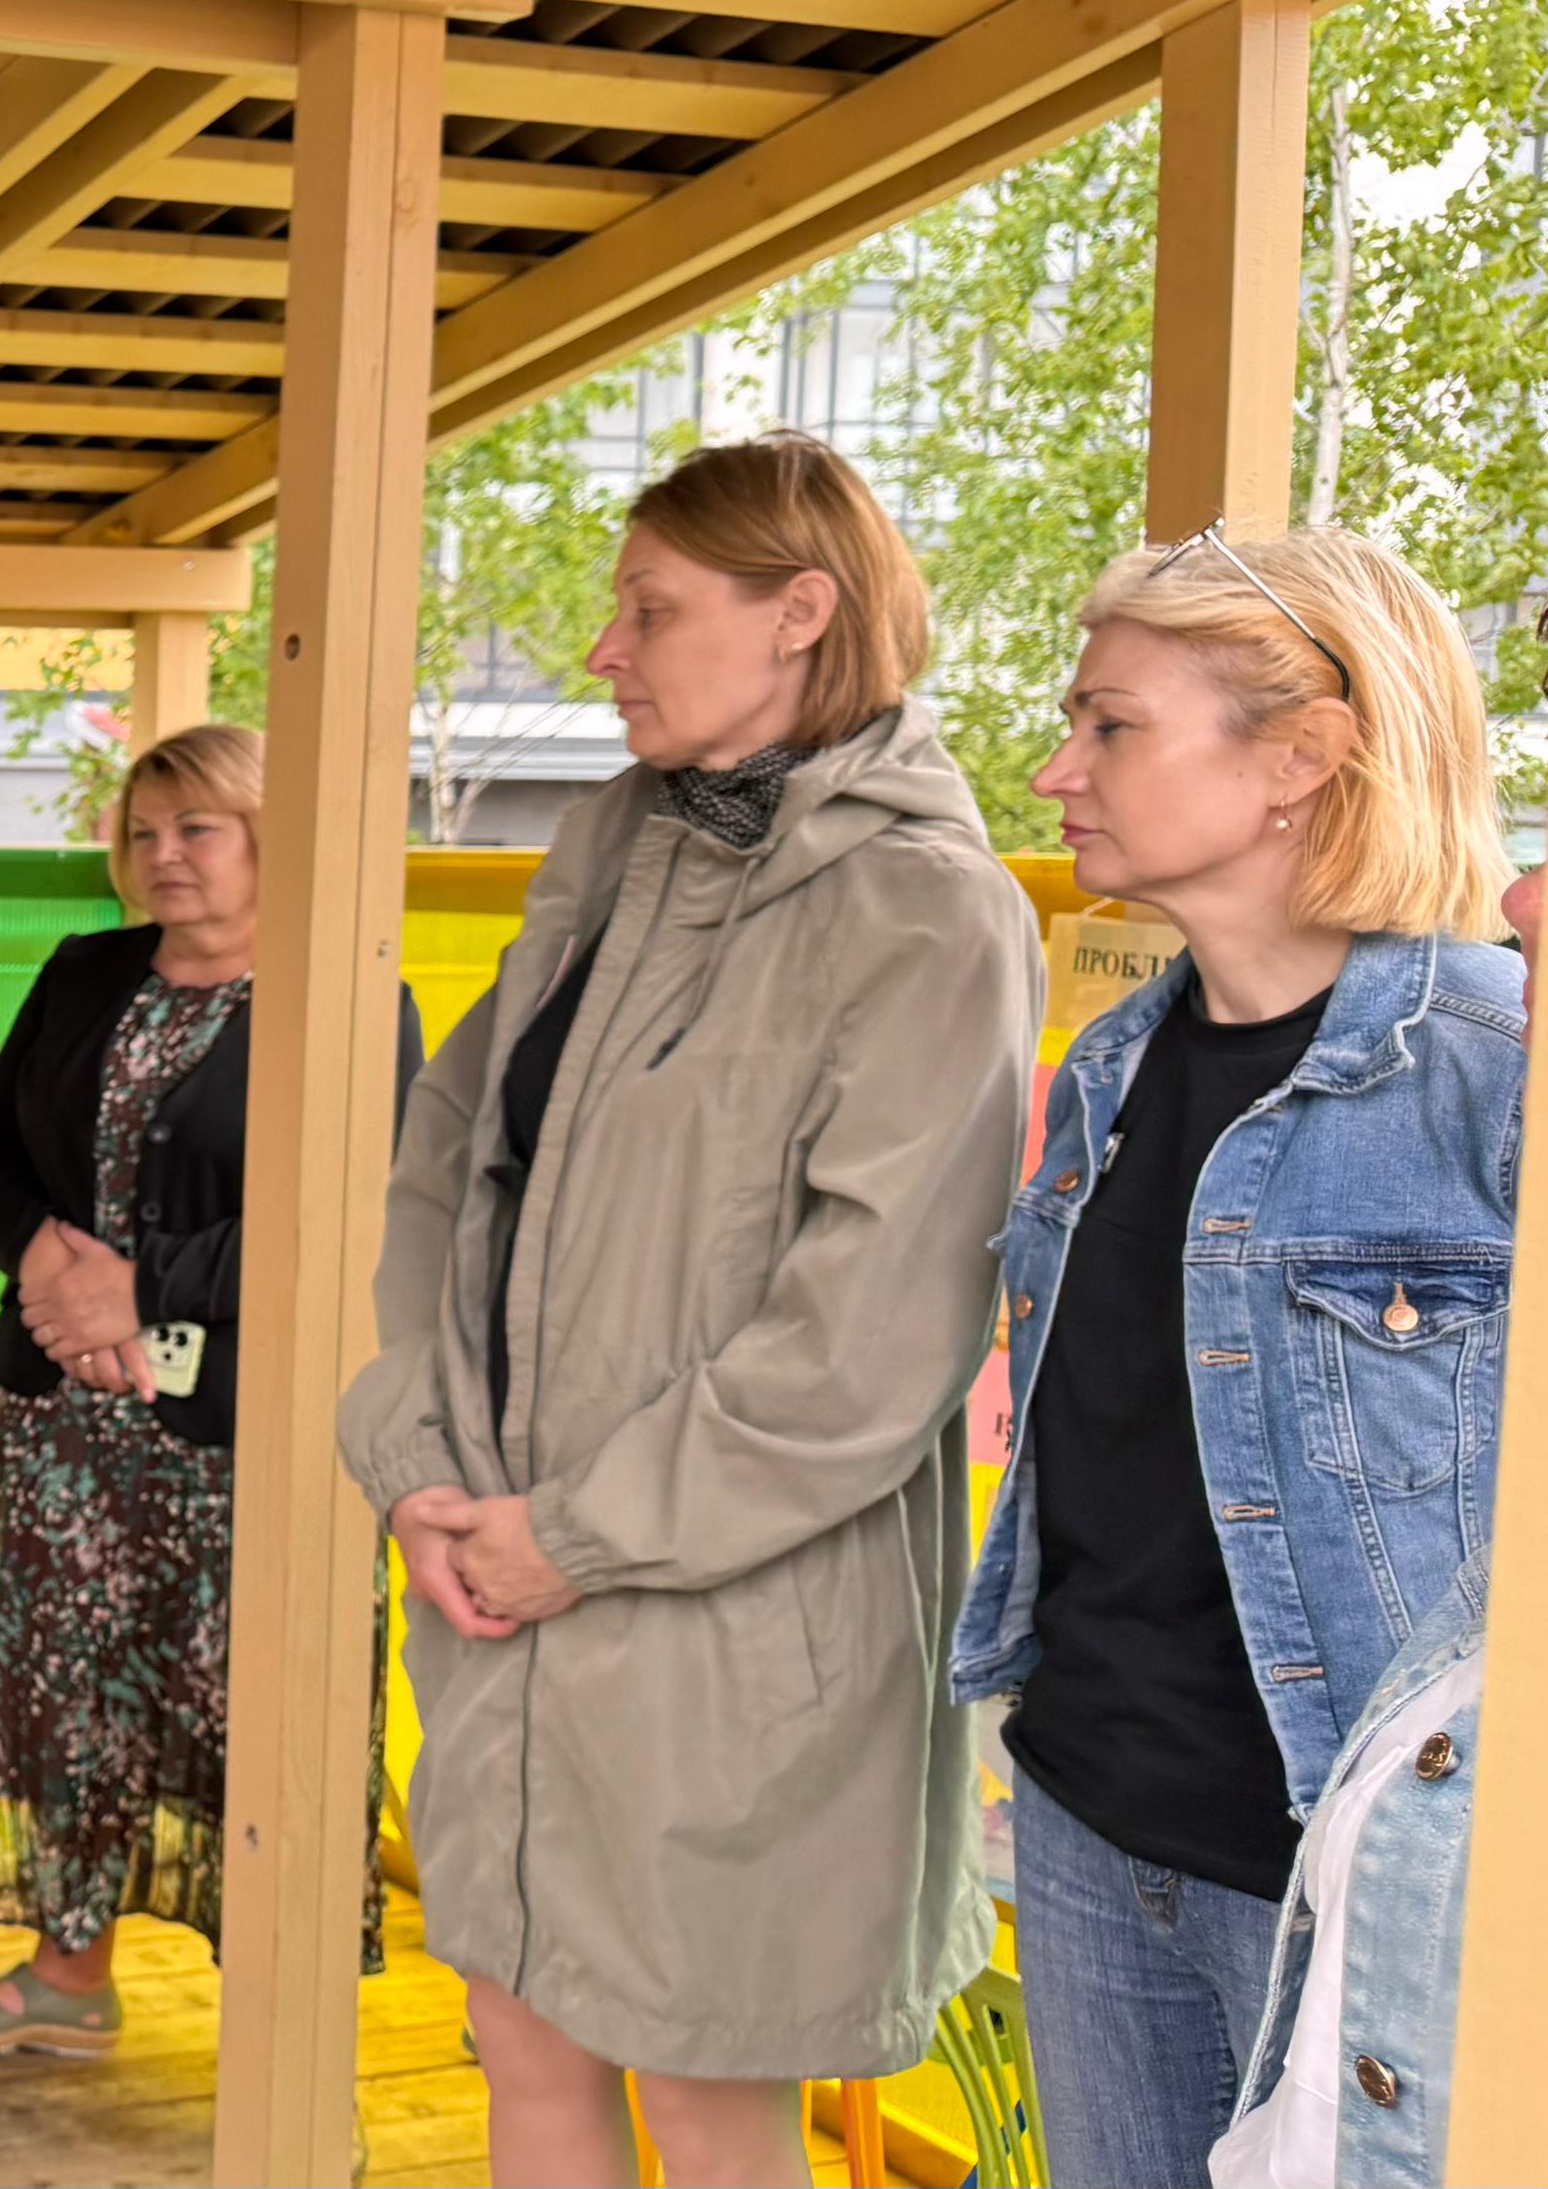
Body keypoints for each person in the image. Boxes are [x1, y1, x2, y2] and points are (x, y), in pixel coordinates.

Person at [337, 432, 1039, 2189]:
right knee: (524, 2038)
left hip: (728, 1627)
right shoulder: (613, 849)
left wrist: (572, 1535)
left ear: (801, 612)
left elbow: (871, 1341)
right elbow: (450, 1170)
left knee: (713, 2102)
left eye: (649, 610)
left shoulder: (931, 909)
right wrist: (421, 1468)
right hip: (506, 1584)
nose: (605, 651)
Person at [947, 525, 1520, 2189]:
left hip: (1357, 1893)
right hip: (1084, 1823)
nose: (1057, 770)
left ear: (1300, 757)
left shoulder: (1499, 1068)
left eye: (1110, 724)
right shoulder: (1110, 1065)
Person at [0, 723, 419, 2058]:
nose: (162, 854)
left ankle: (288, 2048)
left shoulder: (349, 999)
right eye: (143, 831)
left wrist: (144, 1287)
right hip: (53, 1416)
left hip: (235, 1439)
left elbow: (357, 1210)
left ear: (271, 836)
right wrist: (45, 1262)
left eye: (197, 828)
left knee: (248, 1720)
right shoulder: (85, 971)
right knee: (62, 1698)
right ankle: (67, 1978)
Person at [1207, 853, 1540, 2189]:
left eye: (1111, 739)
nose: (1520, 900)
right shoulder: (1120, 1056)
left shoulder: (1469, 1056)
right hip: (1138, 1800)